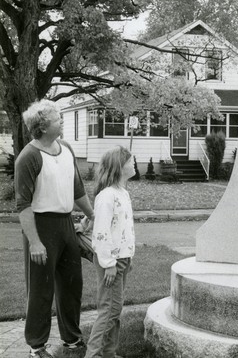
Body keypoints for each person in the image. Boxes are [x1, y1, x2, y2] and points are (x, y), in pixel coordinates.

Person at [15, 99, 95, 358]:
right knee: (41, 289)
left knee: (72, 285)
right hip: (41, 227)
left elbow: (78, 190)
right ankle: (36, 346)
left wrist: (93, 215)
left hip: (66, 225)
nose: (61, 120)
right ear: (43, 126)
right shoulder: (28, 157)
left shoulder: (67, 149)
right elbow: (23, 206)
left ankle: (72, 339)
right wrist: (35, 242)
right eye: (57, 118)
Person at [83, 146, 135, 358]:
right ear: (120, 167)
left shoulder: (122, 193)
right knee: (108, 311)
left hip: (121, 259)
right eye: (131, 161)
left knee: (115, 310)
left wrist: (128, 256)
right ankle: (93, 355)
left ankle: (108, 353)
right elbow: (102, 232)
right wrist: (109, 263)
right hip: (111, 262)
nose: (134, 164)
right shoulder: (107, 196)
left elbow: (122, 228)